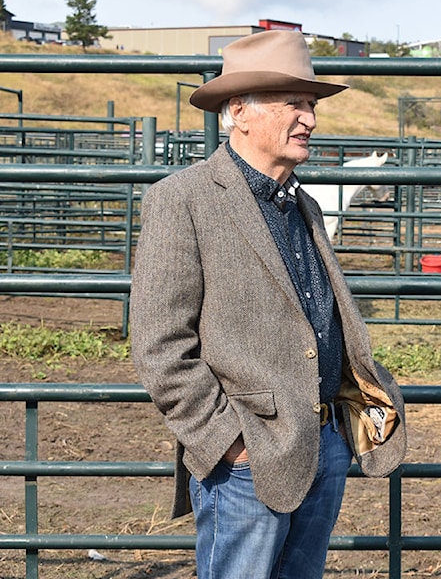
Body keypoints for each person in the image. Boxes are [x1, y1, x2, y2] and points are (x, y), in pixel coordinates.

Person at [130, 30, 407, 579]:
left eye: (311, 104)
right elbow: (160, 344)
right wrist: (227, 442)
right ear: (240, 111)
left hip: (324, 439)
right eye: (294, 103)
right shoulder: (182, 199)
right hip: (246, 456)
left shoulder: (300, 202)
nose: (310, 118)